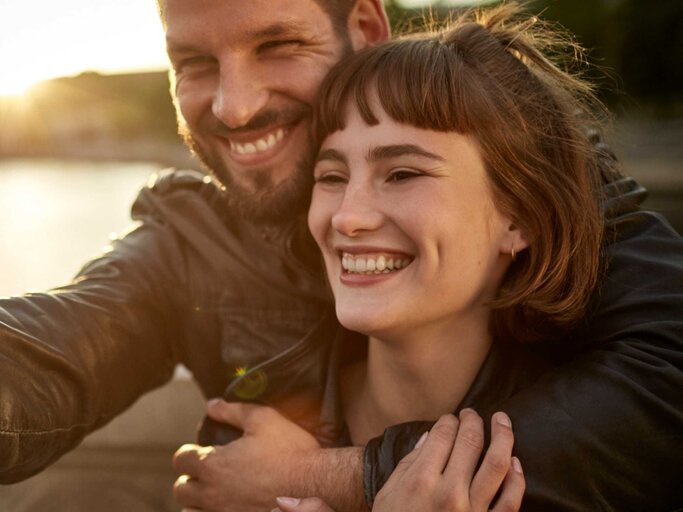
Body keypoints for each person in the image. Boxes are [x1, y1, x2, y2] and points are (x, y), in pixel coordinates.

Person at [0, 0, 681, 511]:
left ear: (364, 29)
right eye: (195, 65)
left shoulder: (546, 190)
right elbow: (55, 346)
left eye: (277, 45)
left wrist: (337, 474)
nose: (235, 108)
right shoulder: (190, 245)